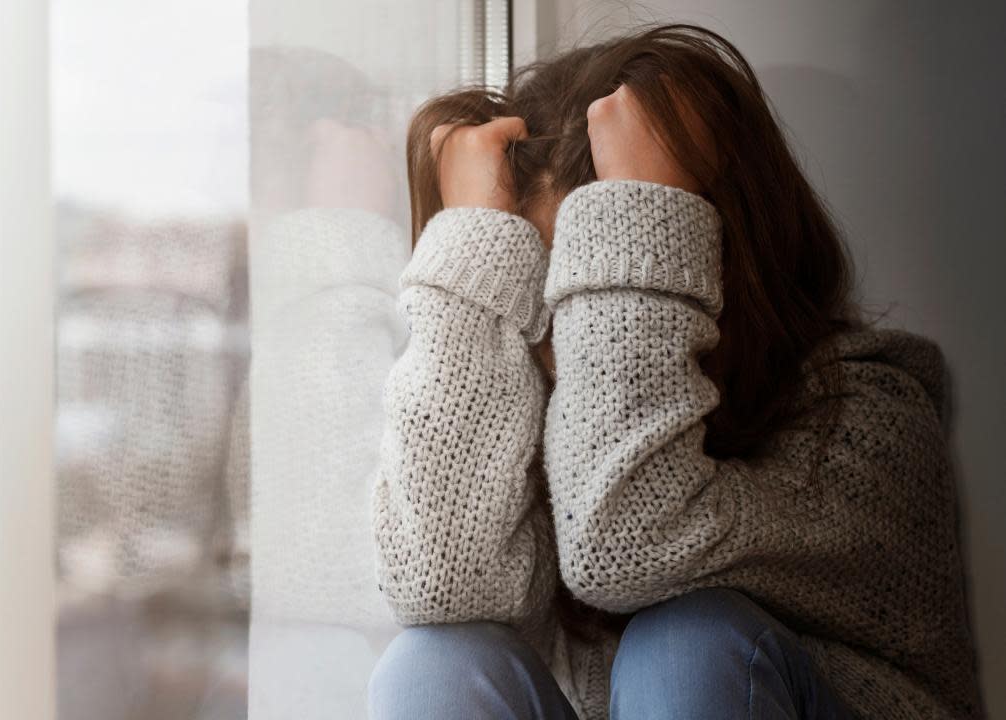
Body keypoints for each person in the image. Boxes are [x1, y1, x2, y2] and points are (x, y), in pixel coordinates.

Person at [366, 22, 985, 720]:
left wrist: (634, 217)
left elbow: (625, 544)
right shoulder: (532, 419)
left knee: (690, 643)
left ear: (697, 257)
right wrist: (474, 252)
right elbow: (437, 582)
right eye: (548, 296)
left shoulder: (869, 418)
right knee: (432, 665)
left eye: (596, 286)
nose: (563, 341)